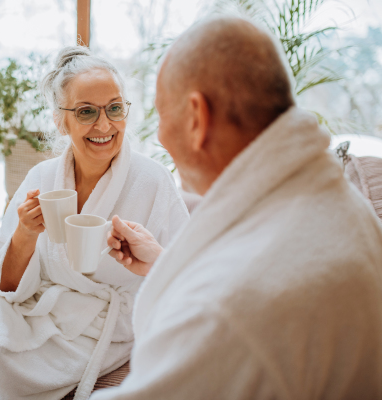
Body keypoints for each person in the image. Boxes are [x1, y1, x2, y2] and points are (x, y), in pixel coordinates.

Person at [92, 16, 382, 400]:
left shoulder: (227, 317)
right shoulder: (336, 201)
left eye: (162, 115)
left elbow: (241, 300)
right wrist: (165, 264)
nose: (159, 135)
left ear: (197, 117)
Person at [0, 46, 189, 400]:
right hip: (29, 308)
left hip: (91, 328)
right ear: (60, 119)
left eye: (114, 108)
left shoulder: (153, 181)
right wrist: (25, 234)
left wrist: (153, 259)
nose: (104, 125)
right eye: (86, 112)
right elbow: (7, 287)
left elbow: (190, 277)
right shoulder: (42, 178)